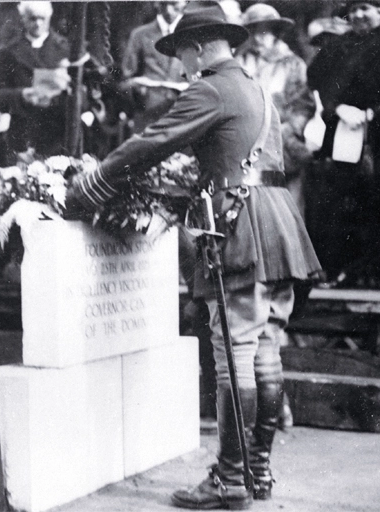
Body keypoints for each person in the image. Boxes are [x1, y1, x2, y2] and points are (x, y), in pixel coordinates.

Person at [67, 4, 321, 509]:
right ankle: (257, 472)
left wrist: (88, 186)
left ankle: (229, 478)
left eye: (181, 54)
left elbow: (153, 141)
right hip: (277, 221)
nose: (179, 67)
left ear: (201, 47)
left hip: (240, 223)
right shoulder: (254, 87)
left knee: (233, 356)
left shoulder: (210, 87)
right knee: (265, 347)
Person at [307, 0, 380, 287]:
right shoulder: (336, 47)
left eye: (365, 8)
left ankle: (378, 270)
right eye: (353, 10)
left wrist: (370, 112)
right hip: (343, 125)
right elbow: (318, 79)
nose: (358, 15)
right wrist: (337, 107)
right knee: (341, 199)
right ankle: (338, 268)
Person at [237, 3, 315, 217]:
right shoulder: (240, 62)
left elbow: (304, 106)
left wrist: (286, 131)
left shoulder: (292, 64)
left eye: (264, 31)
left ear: (275, 33)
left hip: (284, 148)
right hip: (247, 148)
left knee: (289, 210)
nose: (258, 38)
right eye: (252, 31)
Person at [0, 1, 70, 157]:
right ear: (23, 18)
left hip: (58, 136)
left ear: (49, 17)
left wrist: (67, 86)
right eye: (32, 19)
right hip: (23, 135)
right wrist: (22, 94)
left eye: (42, 18)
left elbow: (83, 94)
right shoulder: (8, 53)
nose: (38, 24)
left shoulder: (65, 49)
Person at [121, 1, 188, 132]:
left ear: (185, 3)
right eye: (164, 4)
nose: (168, 10)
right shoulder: (139, 35)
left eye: (174, 4)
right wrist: (138, 90)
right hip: (148, 116)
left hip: (183, 114)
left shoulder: (192, 34)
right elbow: (127, 76)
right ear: (156, 3)